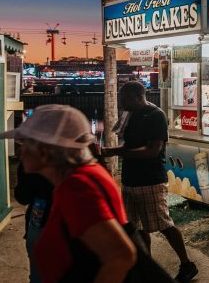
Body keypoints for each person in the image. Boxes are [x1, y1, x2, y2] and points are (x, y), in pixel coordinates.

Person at [1, 104, 137, 282]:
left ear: (47, 150)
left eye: (26, 143)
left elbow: (121, 255)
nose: (20, 152)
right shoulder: (79, 177)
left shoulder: (77, 188)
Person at [102, 81, 197, 282]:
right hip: (130, 179)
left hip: (151, 180)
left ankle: (187, 264)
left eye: (124, 98)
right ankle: (147, 266)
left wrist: (114, 152)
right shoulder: (129, 114)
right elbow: (127, 142)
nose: (120, 102)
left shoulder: (156, 116)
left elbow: (152, 150)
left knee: (164, 224)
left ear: (138, 96)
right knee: (137, 227)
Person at [14, 157, 54, 283]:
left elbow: (23, 196)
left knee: (38, 274)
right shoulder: (73, 156)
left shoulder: (33, 160)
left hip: (41, 221)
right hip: (68, 224)